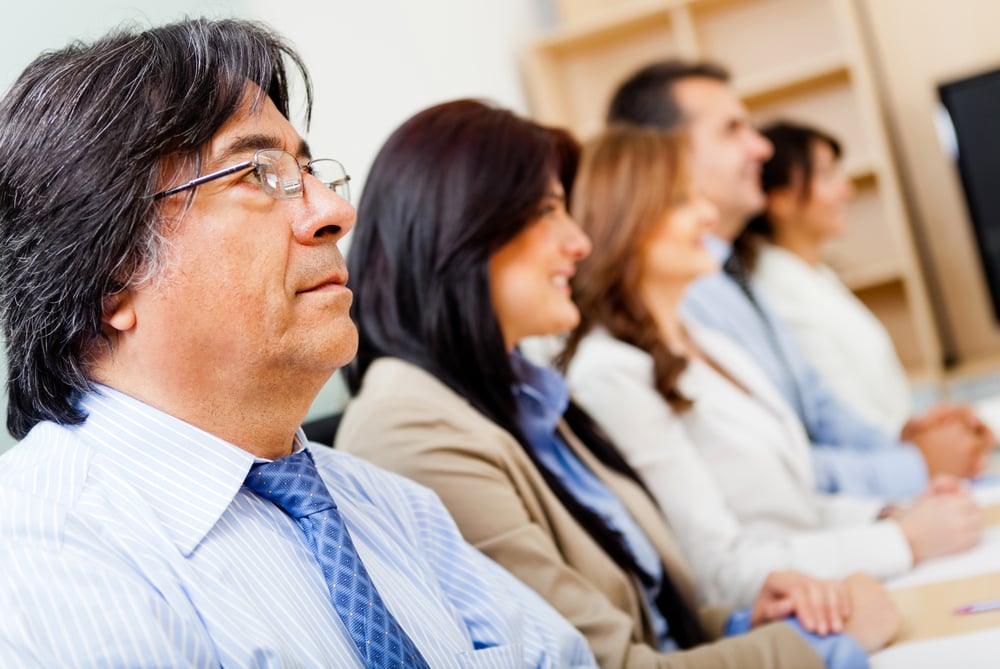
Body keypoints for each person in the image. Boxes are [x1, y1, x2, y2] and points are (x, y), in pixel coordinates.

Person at [0, 19, 600, 667]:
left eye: (308, 169)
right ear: (111, 274)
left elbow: (562, 656)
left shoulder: (382, 501)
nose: (336, 212)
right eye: (257, 173)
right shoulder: (49, 551)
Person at [336, 98, 899, 669]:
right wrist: (817, 644)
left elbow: (639, 618)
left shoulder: (521, 396)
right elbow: (604, 663)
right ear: (458, 229)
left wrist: (739, 623)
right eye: (548, 211)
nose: (579, 242)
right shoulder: (413, 426)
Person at [562, 125, 982, 608]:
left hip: (832, 587)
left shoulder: (705, 343)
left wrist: (892, 514)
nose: (707, 214)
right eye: (682, 202)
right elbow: (718, 570)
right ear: (628, 221)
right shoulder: (610, 374)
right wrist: (903, 542)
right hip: (786, 614)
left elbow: (792, 504)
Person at [606, 59, 994, 499]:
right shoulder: (677, 293)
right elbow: (775, 461)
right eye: (732, 130)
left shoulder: (732, 270)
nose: (761, 149)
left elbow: (814, 406)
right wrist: (915, 463)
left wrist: (904, 441)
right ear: (663, 155)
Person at [739, 121, 916, 434]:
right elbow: (848, 418)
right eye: (826, 175)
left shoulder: (814, 275)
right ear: (780, 201)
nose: (846, 188)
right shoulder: (779, 293)